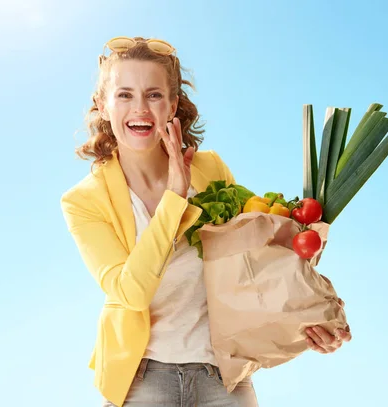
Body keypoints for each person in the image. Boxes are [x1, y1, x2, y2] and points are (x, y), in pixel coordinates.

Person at [60, 36, 352, 407]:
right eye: (124, 95)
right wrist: (173, 199)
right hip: (141, 380)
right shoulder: (83, 201)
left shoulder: (209, 168)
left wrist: (311, 317)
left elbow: (258, 259)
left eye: (153, 95)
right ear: (102, 105)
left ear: (173, 106)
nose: (140, 108)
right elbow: (129, 293)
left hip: (223, 378)